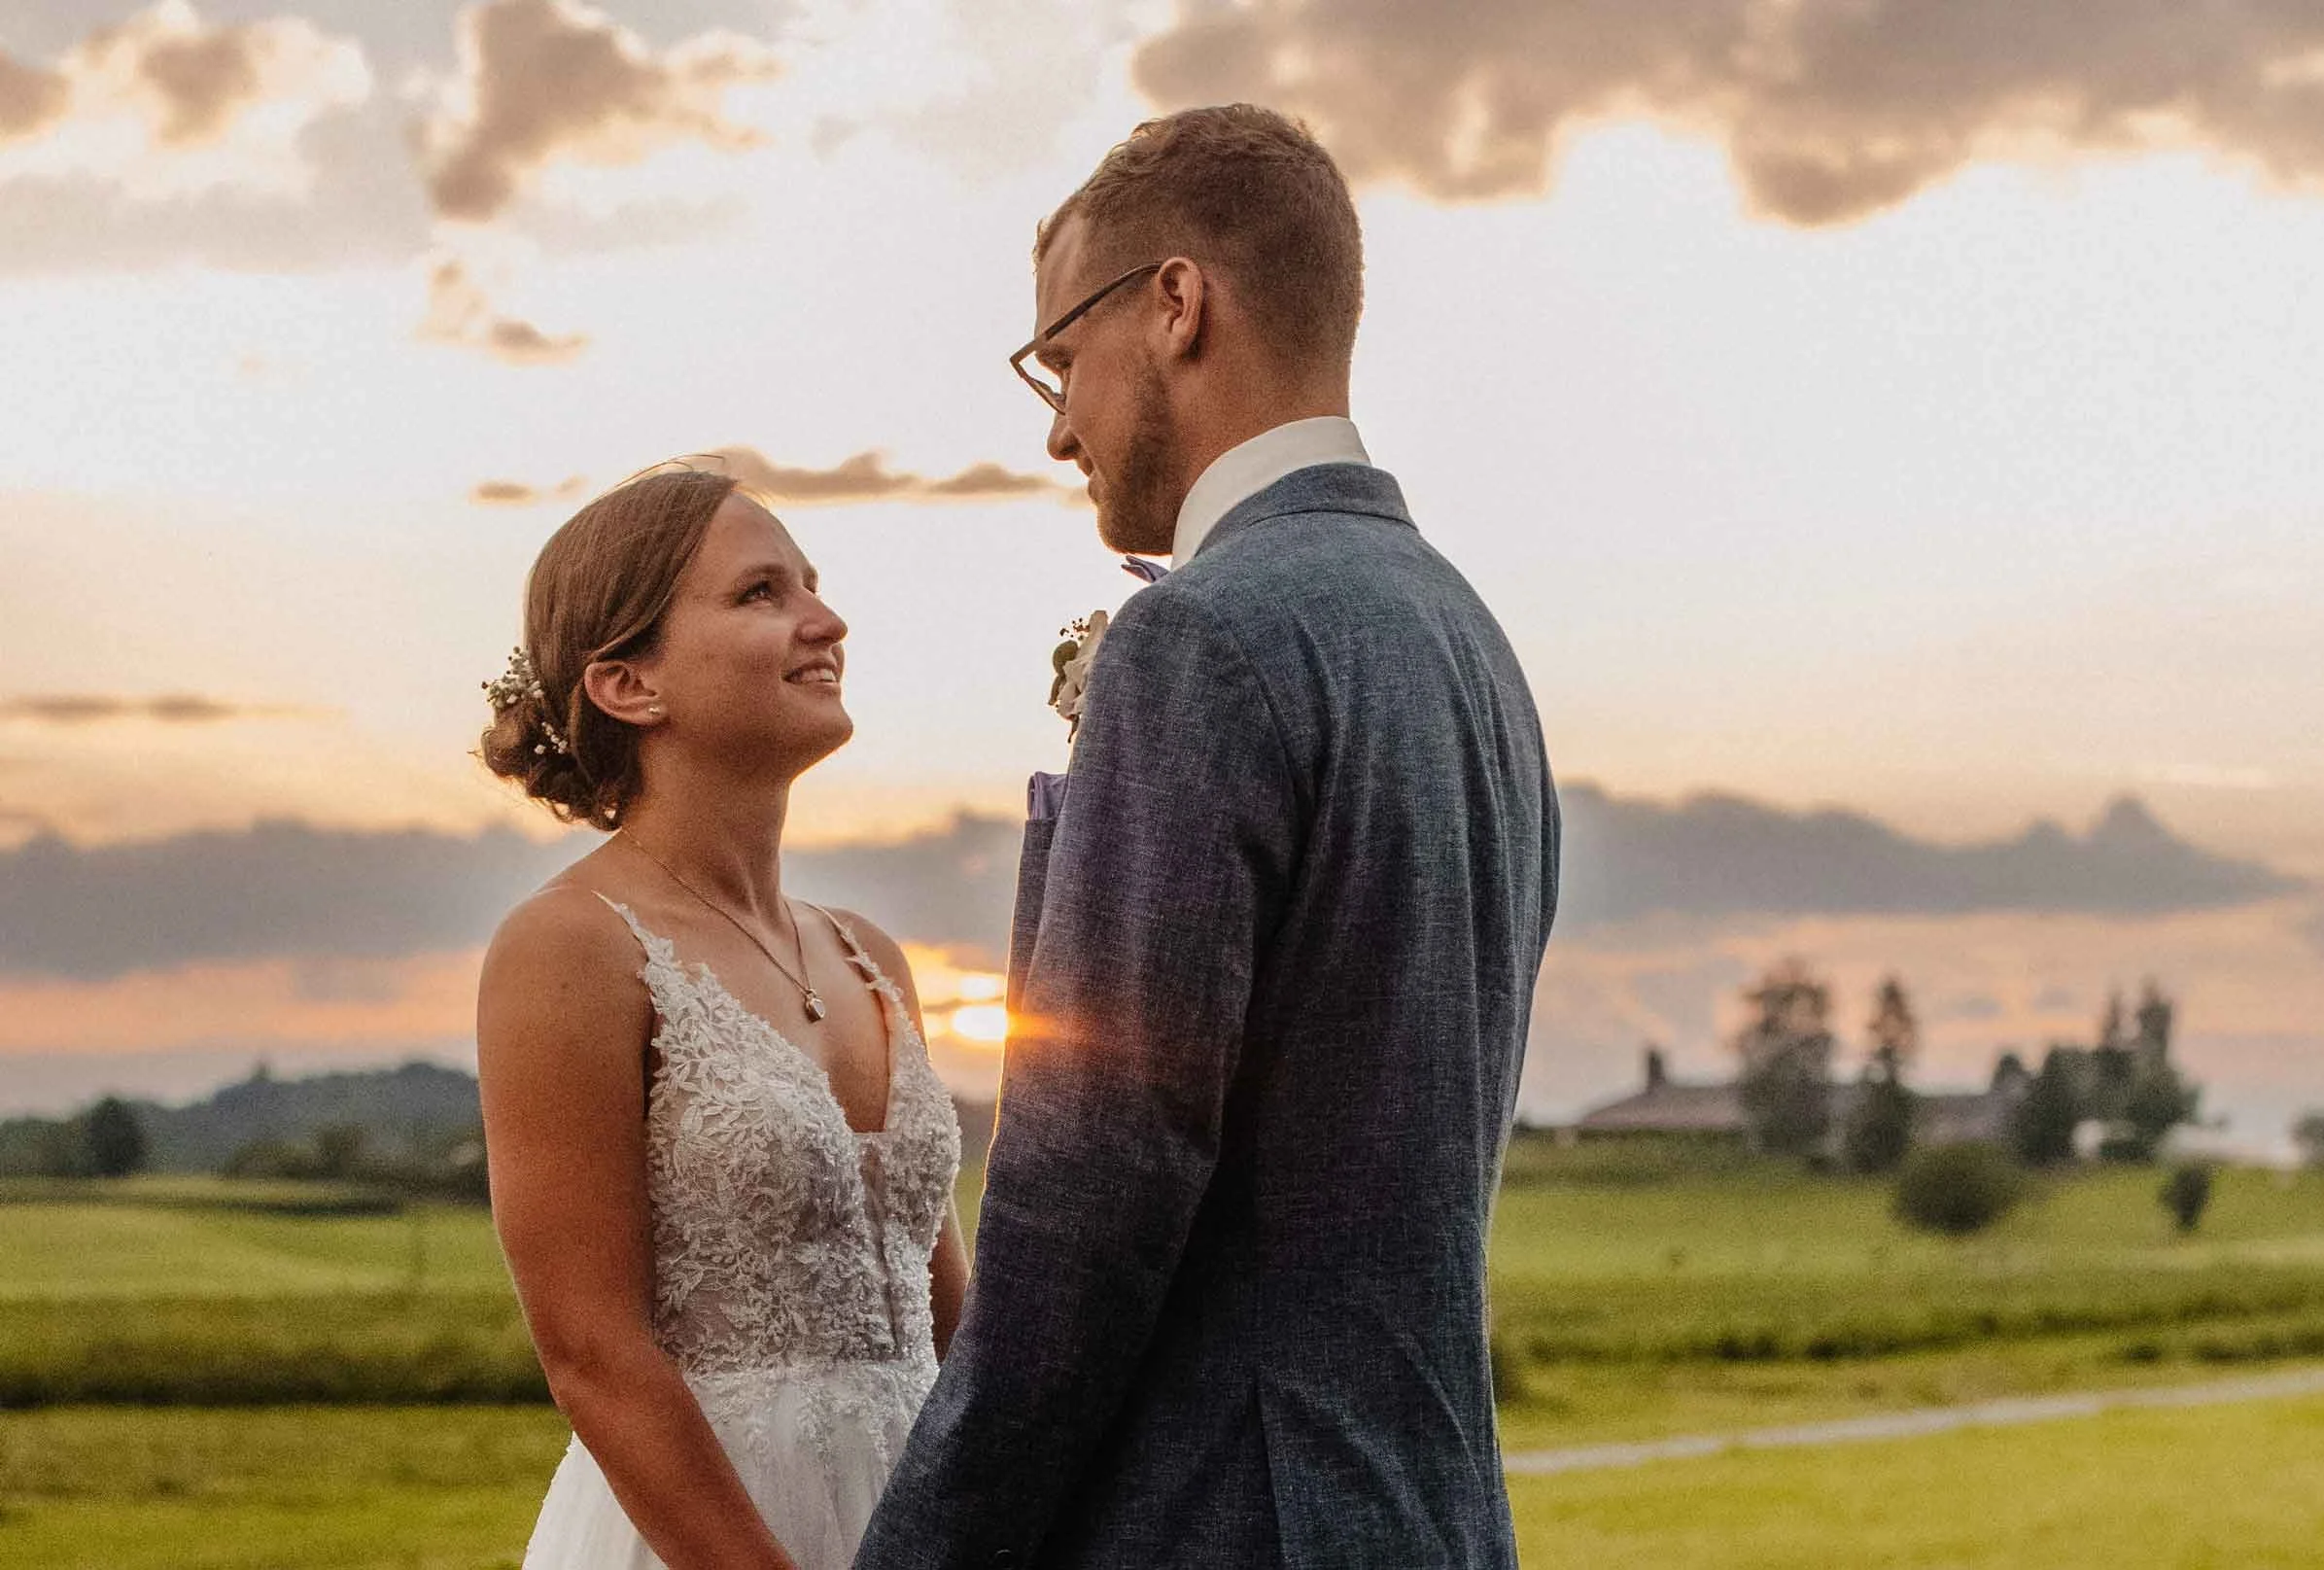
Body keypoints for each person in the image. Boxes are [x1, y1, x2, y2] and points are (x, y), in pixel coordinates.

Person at [856, 105, 1561, 1569]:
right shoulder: (1468, 639)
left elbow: (1091, 1187)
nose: (1057, 426)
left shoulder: (1202, 637)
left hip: (1223, 1518)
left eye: (1060, 359)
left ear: (1176, 304)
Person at [473, 466, 966, 1570]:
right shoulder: (571, 945)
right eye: (760, 593)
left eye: (811, 586)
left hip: (918, 1525)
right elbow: (594, 1352)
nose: (825, 622)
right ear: (629, 683)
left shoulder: (870, 957)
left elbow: (951, 1325)